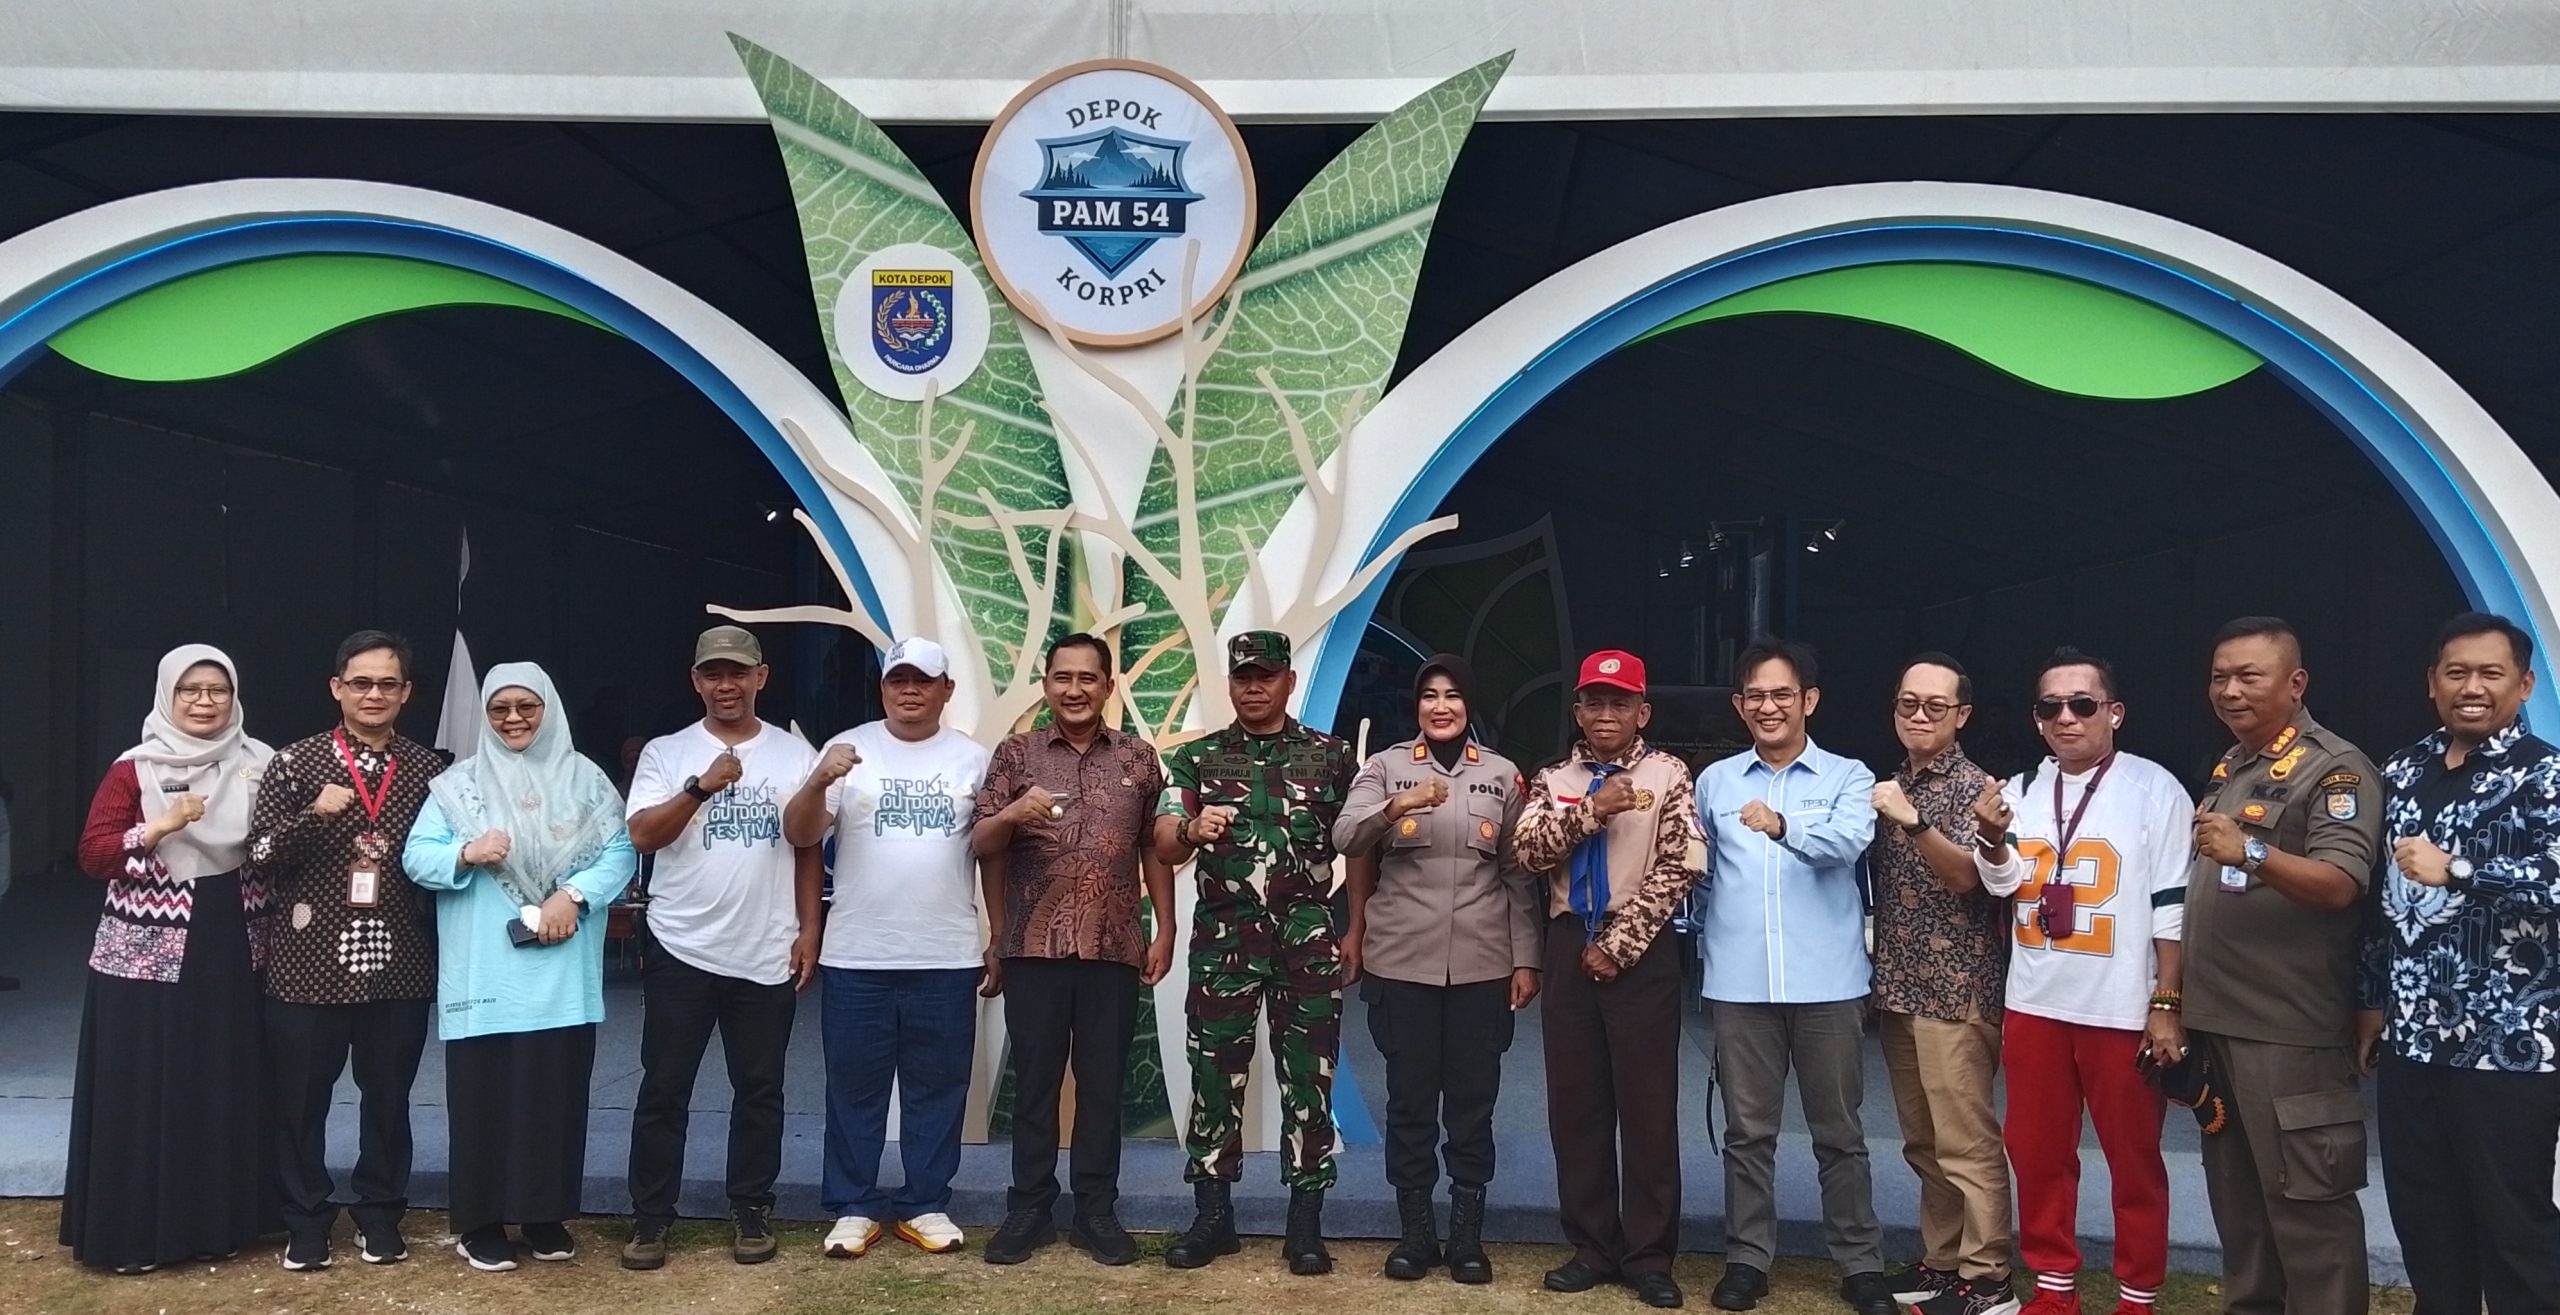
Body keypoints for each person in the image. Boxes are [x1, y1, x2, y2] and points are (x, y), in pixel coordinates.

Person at [1973, 649, 2189, 1315]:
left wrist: (2166, 1001)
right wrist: (1991, 839)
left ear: (2114, 712)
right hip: (2036, 1000)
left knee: (2134, 1159)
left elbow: (2173, 907)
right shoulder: (2018, 790)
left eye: (2082, 704)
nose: (2066, 717)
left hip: (2121, 1005)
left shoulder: (2155, 789)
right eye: (2050, 706)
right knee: (2037, 1152)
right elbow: (2002, 885)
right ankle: (2054, 1287)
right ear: (2037, 718)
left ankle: (2137, 1295)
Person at [404, 663, 637, 1273]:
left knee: (554, 1096)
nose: (513, 718)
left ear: (548, 708)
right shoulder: (458, 786)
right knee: (485, 1099)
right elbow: (417, 858)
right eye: (500, 708)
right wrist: (467, 851)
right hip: (485, 973)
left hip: (561, 968)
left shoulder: (587, 779)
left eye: (526, 706)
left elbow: (621, 852)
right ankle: (480, 1222)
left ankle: (543, 1216)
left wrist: (575, 896)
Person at [2360, 611, 2560, 1313]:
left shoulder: (2546, 774)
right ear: (2432, 682)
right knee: (2426, 1220)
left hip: (2509, 1047)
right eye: (2457, 672)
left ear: (2524, 684)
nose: (2472, 688)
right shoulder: (2402, 769)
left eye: (2490, 673)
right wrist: (2371, 998)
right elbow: (2383, 898)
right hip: (2413, 1040)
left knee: (2514, 1228)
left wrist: (2461, 869)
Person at [2183, 617, 2381, 1315]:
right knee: (2241, 1213)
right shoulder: (2233, 765)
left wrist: (2253, 851)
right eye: (2219, 677)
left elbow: (2341, 882)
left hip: (2287, 1033)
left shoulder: (2335, 768)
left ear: (2296, 683)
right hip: (2220, 1025)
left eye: (2249, 676)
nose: (2230, 690)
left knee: (2309, 1212)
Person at [1693, 638, 1893, 1315]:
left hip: (1828, 982)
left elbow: (1847, 844)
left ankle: (1860, 1263)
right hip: (1740, 982)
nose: (1768, 706)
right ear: (1738, 704)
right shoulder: (1716, 782)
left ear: (1809, 700)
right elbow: (1700, 869)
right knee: (1747, 1134)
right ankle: (1747, 1258)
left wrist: (1781, 826)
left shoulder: (1849, 776)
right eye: (1755, 695)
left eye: (1782, 694)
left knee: (1840, 1133)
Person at [61, 645, 275, 1274]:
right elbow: (94, 855)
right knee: (146, 1085)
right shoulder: (136, 768)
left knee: (221, 1081)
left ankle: (219, 1226)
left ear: (235, 697)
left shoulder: (260, 762)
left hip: (236, 944)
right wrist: (157, 828)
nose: (205, 702)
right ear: (167, 695)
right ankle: (134, 1234)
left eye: (218, 691)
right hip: (146, 955)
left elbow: (281, 843)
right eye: (190, 691)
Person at [1151, 630, 1358, 1275]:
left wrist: (1358, 928)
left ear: (1289, 682)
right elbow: (1163, 840)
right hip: (1226, 947)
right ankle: (1213, 1219)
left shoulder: (1332, 757)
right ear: (1230, 684)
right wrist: (1191, 829)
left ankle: (1305, 1226)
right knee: (1214, 1080)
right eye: (1243, 677)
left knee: (1310, 1083)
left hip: (1308, 946)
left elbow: (1362, 843)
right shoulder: (1198, 758)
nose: (1254, 687)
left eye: (1266, 676)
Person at [619, 626, 822, 1270]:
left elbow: (808, 847)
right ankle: (651, 1217)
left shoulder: (794, 754)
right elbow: (643, 836)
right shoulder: (666, 753)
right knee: (664, 1087)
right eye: (713, 673)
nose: (726, 685)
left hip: (766, 946)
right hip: (681, 944)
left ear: (762, 677)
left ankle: (752, 1206)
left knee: (760, 1089)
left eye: (738, 673)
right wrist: (700, 787)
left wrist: (810, 929)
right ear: (695, 681)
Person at [1335, 654, 1541, 1285]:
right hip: (1402, 964)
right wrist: (1396, 806)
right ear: (1417, 705)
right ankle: (1417, 1235)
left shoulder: (1502, 775)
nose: (1441, 706)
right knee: (1410, 1102)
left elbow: (1516, 874)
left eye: (1453, 695)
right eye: (1429, 695)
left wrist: (1526, 958)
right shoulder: (1384, 767)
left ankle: (1467, 1238)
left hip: (1482, 966)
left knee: (1474, 1106)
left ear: (1469, 704)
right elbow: (1346, 837)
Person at [971, 633, 1176, 1267]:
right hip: (1033, 946)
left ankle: (1096, 1211)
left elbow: (1153, 846)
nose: (1075, 689)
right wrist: (1013, 817)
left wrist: (1166, 927)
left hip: (1113, 945)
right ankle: (1029, 1209)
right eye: (1063, 677)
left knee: (1103, 1087)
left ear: (1109, 686)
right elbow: (982, 844)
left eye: (1089, 678)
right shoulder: (1016, 755)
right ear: (1046, 685)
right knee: (1034, 1085)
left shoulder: (1139, 759)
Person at [785, 636, 990, 1261]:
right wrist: (819, 779)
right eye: (898, 680)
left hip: (946, 953)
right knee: (854, 1087)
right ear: (882, 688)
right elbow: (800, 834)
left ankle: (925, 1202)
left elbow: (994, 852)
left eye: (923, 680)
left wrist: (998, 937)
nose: (910, 690)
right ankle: (853, 1206)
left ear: (946, 690)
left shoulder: (974, 759)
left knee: (939, 1086)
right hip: (858, 954)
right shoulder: (847, 750)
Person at [1512, 649, 1705, 1309]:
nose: (1605, 714)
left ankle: (1649, 1255)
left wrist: (1620, 945)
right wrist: (1592, 810)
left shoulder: (1669, 774)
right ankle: (1592, 1245)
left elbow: (1682, 865)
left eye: (1620, 703)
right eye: (1594, 701)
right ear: (1577, 710)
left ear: (1642, 712)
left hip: (1641, 947)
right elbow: (1528, 852)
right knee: (1576, 1105)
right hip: (1570, 940)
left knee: (1648, 1109)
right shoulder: (1554, 779)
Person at [246, 630, 441, 1271]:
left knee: (388, 1099)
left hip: (398, 962)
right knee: (301, 1101)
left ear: (406, 693)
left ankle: (380, 1213)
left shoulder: (430, 771)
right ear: (337, 688)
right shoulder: (295, 763)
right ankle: (305, 1218)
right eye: (361, 682)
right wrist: (316, 816)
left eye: (388, 683)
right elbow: (259, 854)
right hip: (306, 965)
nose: (373, 694)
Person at [1864, 654, 2014, 1314]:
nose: (1918, 715)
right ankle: (1944, 1261)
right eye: (1908, 703)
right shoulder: (1898, 779)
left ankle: (1989, 1278)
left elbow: (1966, 878)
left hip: (1957, 989)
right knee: (1924, 1141)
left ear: (1963, 715)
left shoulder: (1976, 788)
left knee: (1966, 1141)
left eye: (1934, 705)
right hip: (1900, 985)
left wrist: (1912, 820)